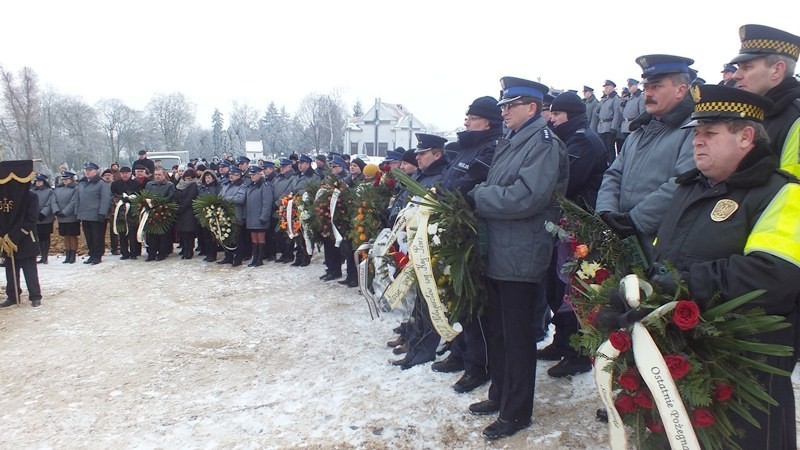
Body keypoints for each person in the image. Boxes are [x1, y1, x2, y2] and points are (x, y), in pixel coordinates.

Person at [651, 84, 800, 449]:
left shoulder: (782, 192)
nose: (697, 141)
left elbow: (774, 272)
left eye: (709, 133)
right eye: (696, 133)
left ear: (746, 136)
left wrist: (683, 282)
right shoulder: (689, 188)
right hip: (685, 359)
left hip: (746, 367)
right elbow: (662, 254)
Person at [467, 76, 568, 440]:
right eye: (503, 106)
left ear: (532, 107)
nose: (504, 112)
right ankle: (500, 394)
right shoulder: (514, 142)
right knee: (499, 332)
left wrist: (479, 197)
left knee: (518, 337)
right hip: (501, 250)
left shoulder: (543, 144)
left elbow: (527, 196)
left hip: (522, 254)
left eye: (511, 105)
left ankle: (516, 411)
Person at [430, 96, 502, 394]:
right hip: (453, 233)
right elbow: (448, 182)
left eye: (471, 117)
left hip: (472, 237)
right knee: (455, 298)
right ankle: (460, 353)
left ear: (487, 121)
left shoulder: (491, 148)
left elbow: (469, 185)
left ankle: (478, 365)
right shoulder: (467, 147)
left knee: (474, 305)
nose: (466, 121)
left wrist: (444, 197)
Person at [596, 54, 697, 264]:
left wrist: (635, 219)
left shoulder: (693, 131)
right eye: (646, 87)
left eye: (657, 87)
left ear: (681, 90)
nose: (647, 94)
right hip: (625, 240)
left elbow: (683, 183)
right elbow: (613, 174)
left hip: (660, 247)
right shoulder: (638, 133)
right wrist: (606, 211)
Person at [542, 91, 609, 378]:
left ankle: (577, 353)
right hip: (564, 225)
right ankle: (561, 342)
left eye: (556, 114)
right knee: (557, 288)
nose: (552, 119)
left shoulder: (582, 139)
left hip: (578, 227)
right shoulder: (569, 137)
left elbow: (567, 181)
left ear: (569, 114)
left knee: (573, 291)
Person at [730, 24, 800, 177]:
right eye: (738, 67)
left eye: (747, 67)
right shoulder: (751, 112)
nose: (736, 75)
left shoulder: (795, 119)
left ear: (777, 70)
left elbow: (792, 188)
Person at [0, 187, 42, 308]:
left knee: (29, 270)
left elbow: (31, 219)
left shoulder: (31, 196)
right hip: (7, 239)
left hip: (26, 238)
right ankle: (13, 296)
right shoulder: (4, 198)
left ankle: (35, 296)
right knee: (11, 270)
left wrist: (15, 236)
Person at [76, 162, 112, 265]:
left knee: (97, 236)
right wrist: (78, 213)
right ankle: (92, 253)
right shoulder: (82, 183)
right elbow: (78, 198)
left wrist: (102, 213)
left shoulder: (101, 183)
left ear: (96, 171)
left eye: (90, 170)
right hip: (85, 214)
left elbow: (105, 199)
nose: (87, 172)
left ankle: (97, 255)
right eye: (86, 170)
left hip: (96, 215)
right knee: (89, 236)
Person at [144, 167, 176, 262]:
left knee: (163, 235)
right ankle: (151, 254)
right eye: (156, 175)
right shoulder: (149, 184)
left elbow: (171, 197)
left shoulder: (169, 185)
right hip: (151, 213)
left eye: (159, 175)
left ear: (164, 175)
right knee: (151, 235)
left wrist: (159, 203)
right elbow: (145, 196)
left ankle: (162, 253)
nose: (157, 176)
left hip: (163, 212)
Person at [244, 166, 274, 267]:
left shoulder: (265, 186)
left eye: (254, 174)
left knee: (260, 238)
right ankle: (255, 257)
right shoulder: (251, 186)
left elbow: (267, 203)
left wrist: (264, 217)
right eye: (251, 175)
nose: (252, 176)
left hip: (260, 217)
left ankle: (260, 258)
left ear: (259, 174)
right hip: (252, 217)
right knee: (254, 239)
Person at [110, 167, 142, 260]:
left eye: (126, 173)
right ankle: (124, 252)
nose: (124, 174)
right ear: (120, 174)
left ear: (130, 174)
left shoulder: (136, 184)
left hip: (132, 212)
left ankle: (134, 252)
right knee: (122, 232)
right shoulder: (115, 184)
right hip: (120, 212)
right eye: (123, 173)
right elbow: (113, 196)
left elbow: (139, 195)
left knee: (132, 233)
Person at [218, 167, 246, 265]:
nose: (231, 176)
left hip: (236, 215)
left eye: (233, 174)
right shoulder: (226, 185)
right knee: (227, 236)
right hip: (225, 215)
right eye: (230, 174)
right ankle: (228, 257)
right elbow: (220, 195)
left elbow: (241, 198)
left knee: (237, 238)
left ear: (238, 175)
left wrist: (226, 199)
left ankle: (238, 258)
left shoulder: (242, 186)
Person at [272, 159, 297, 264]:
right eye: (281, 166)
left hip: (286, 208)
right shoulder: (277, 178)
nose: (281, 168)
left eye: (284, 166)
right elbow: (272, 190)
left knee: (286, 233)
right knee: (278, 234)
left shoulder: (292, 178)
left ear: (290, 167)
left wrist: (277, 203)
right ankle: (283, 253)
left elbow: (288, 192)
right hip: (276, 209)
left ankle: (289, 254)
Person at [53, 171, 80, 264]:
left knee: (72, 235)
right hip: (61, 217)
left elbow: (73, 202)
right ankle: (67, 254)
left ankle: (73, 254)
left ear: (71, 179)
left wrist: (65, 212)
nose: (64, 181)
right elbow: (53, 200)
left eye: (67, 179)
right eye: (63, 179)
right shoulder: (58, 189)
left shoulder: (75, 188)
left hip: (71, 216)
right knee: (65, 236)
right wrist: (56, 211)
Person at [175, 168, 200, 259]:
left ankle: (189, 251)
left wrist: (181, 208)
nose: (187, 180)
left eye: (190, 178)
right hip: (180, 212)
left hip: (189, 211)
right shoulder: (179, 185)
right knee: (182, 233)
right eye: (186, 178)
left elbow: (190, 198)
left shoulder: (193, 185)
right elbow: (176, 196)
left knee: (189, 233)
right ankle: (185, 250)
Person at [198, 169, 222, 262]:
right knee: (206, 235)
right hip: (205, 213)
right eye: (206, 178)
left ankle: (213, 254)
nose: (207, 179)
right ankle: (208, 253)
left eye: (209, 177)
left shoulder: (217, 187)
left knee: (213, 236)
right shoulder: (202, 188)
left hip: (214, 213)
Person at [32, 174, 56, 264]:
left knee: (45, 237)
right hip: (35, 218)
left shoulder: (49, 191)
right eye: (37, 181)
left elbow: (50, 203)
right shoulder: (32, 191)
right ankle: (40, 254)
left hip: (46, 218)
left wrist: (43, 213)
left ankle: (45, 256)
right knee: (37, 237)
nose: (38, 183)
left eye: (40, 181)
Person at [597, 80, 623, 163]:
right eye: (605, 87)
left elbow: (617, 114)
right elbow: (598, 112)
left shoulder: (616, 99)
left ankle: (611, 165)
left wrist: (613, 127)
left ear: (613, 88)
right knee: (603, 148)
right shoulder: (605, 99)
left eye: (607, 87)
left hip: (609, 127)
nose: (606, 89)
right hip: (602, 127)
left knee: (610, 149)